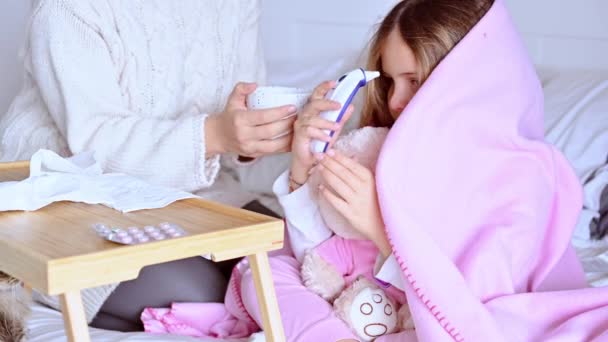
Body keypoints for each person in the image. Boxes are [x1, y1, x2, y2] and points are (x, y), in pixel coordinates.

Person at [140, 0, 497, 340]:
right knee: (262, 270)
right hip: (349, 296)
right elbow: (320, 255)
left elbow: (465, 304)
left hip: (414, 314)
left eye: (414, 80)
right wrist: (302, 168)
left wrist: (378, 230)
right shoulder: (380, 146)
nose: (394, 101)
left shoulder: (498, 176)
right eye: (390, 81)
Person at [0, 0, 292, 332]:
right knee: (205, 295)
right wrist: (217, 134)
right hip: (72, 195)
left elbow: (238, 120)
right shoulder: (66, 8)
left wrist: (258, 137)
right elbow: (98, 147)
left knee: (291, 261)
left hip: (191, 193)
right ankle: (31, 279)